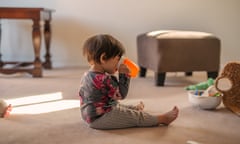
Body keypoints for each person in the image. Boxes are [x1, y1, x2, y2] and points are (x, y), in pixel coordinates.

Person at [79, 34, 179, 130]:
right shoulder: (104, 79)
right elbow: (122, 95)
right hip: (100, 118)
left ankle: (132, 108)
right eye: (118, 59)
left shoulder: (86, 75)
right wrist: (124, 75)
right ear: (103, 58)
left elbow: (109, 99)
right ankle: (161, 119)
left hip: (90, 115)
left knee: (115, 104)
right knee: (135, 117)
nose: (119, 63)